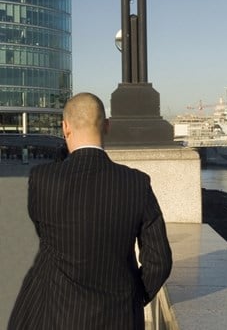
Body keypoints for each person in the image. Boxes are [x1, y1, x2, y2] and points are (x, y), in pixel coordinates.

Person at [8, 93, 171, 329]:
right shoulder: (136, 183)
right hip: (119, 316)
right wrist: (134, 297)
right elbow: (160, 261)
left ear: (65, 127)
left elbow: (45, 234)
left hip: (55, 313)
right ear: (107, 126)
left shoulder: (42, 179)